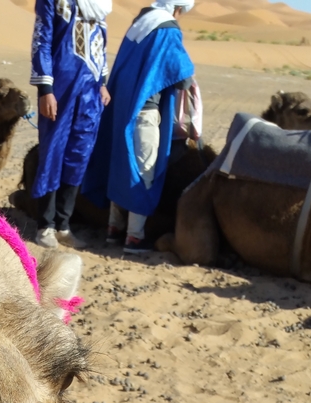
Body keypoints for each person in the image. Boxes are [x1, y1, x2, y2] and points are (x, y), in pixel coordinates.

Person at [83, 0, 196, 252]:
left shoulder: (139, 24)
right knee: (144, 172)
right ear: (177, 8)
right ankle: (134, 237)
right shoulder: (167, 29)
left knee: (121, 165)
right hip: (144, 114)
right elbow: (184, 77)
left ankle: (114, 228)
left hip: (122, 110)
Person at [30, 0, 113, 250]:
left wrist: (103, 82)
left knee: (79, 156)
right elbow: (41, 40)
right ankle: (45, 225)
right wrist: (46, 89)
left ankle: (63, 225)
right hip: (61, 87)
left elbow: (100, 45)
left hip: (91, 92)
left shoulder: (99, 4)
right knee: (53, 152)